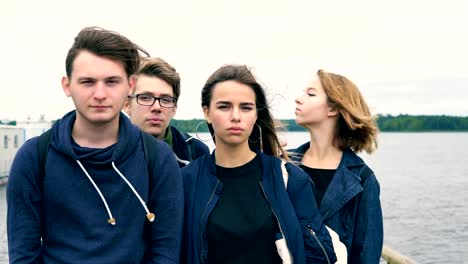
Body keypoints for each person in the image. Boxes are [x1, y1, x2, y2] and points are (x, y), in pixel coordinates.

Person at [7, 27, 184, 264]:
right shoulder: (33, 157)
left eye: (112, 81)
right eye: (87, 82)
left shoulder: (158, 158)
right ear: (67, 85)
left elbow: (165, 253)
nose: (100, 94)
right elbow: (23, 255)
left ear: (130, 86)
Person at [180, 65, 337, 264]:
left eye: (246, 107)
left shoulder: (288, 179)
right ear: (207, 112)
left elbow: (319, 255)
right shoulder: (186, 181)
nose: (236, 116)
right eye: (224, 106)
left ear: (255, 114)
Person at [290, 69, 383, 263]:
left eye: (310, 94)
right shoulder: (283, 166)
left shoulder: (363, 180)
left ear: (333, 109)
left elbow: (367, 255)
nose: (298, 99)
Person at [125, 57, 209, 167]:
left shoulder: (196, 153)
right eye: (145, 97)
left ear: (174, 108)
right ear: (126, 104)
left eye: (165, 99)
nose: (157, 107)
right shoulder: (105, 152)